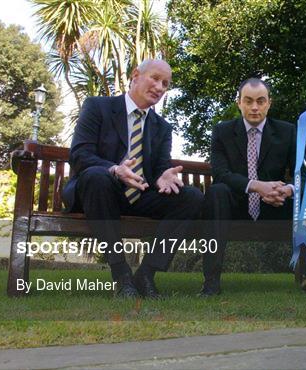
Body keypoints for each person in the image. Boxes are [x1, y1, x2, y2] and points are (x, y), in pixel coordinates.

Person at [63, 59, 203, 298]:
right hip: (98, 193)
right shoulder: (98, 107)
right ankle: (122, 275)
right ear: (136, 75)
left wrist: (163, 177)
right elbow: (80, 155)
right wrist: (115, 169)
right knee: (98, 176)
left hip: (138, 196)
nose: (160, 87)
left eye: (166, 84)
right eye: (155, 79)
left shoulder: (162, 128)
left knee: (191, 197)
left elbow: (160, 168)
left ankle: (146, 273)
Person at [201, 78, 306, 296]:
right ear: (239, 103)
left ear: (269, 103)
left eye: (260, 101)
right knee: (217, 191)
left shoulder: (287, 132)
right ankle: (211, 281)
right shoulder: (222, 131)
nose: (254, 107)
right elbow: (220, 174)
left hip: (275, 206)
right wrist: (256, 186)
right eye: (248, 101)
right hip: (235, 208)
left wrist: (288, 190)